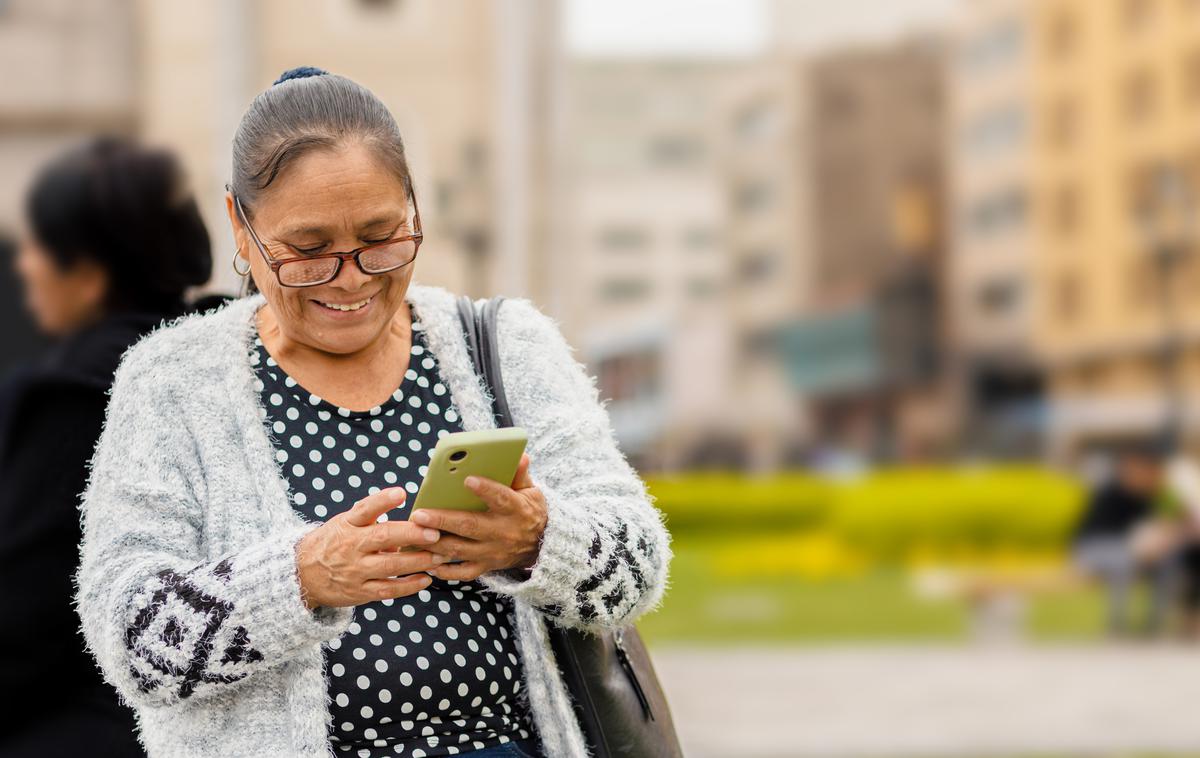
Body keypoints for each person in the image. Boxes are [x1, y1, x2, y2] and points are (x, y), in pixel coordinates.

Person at [73, 67, 672, 758]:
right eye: (309, 249)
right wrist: (298, 580)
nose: (351, 277)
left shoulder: (507, 344)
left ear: (414, 208)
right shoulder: (173, 379)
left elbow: (638, 567)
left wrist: (538, 540)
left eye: (381, 236)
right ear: (242, 228)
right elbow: (130, 638)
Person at [0, 137, 214, 757]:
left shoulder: (71, 398)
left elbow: (22, 623)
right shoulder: (221, 363)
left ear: (90, 276)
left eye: (39, 246)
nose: (25, 264)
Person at [1070, 442, 1178, 637]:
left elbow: (1156, 530)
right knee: (1124, 561)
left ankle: (1153, 626)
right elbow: (1099, 534)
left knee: (1167, 562)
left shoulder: (1150, 498)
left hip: (1136, 552)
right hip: (1094, 549)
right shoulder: (1109, 493)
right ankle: (1117, 626)